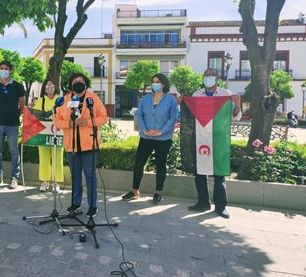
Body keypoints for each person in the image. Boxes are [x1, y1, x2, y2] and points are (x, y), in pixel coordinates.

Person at [188, 68, 242, 219]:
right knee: (200, 172)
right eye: (206, 75)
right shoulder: (197, 94)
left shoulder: (226, 94)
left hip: (219, 139)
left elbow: (236, 117)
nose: (208, 78)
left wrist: (237, 105)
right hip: (201, 137)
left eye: (211, 75)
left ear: (217, 78)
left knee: (219, 173)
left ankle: (221, 206)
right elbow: (191, 114)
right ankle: (203, 202)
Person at [55, 73, 109, 217]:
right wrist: (69, 124)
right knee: (75, 175)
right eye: (74, 81)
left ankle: (93, 205)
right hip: (71, 145)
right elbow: (57, 120)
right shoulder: (65, 99)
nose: (77, 83)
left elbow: (104, 117)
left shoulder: (93, 98)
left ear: (85, 83)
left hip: (89, 144)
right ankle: (76, 203)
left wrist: (87, 122)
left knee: (90, 175)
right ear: (70, 84)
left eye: (80, 81)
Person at [122, 73, 178, 203]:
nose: (155, 83)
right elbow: (139, 114)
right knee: (139, 163)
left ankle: (158, 192)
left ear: (164, 84)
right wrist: (145, 130)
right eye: (153, 81)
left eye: (158, 81)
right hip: (146, 136)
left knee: (160, 165)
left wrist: (161, 131)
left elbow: (173, 118)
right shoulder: (146, 98)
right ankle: (135, 190)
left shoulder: (170, 100)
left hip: (163, 138)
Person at [0, 60, 26, 189]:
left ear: (10, 70)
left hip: (12, 125)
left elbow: (22, 105)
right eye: (2, 68)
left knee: (14, 151)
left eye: (6, 68)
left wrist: (16, 116)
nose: (4, 70)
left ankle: (14, 177)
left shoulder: (18, 86)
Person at [33, 79, 64, 192]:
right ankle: (45, 181)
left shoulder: (61, 100)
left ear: (56, 87)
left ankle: (56, 182)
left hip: (58, 133)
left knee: (57, 157)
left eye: (52, 84)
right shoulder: (40, 101)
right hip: (43, 134)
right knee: (43, 157)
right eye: (47, 85)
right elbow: (34, 117)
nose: (49, 86)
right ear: (44, 88)